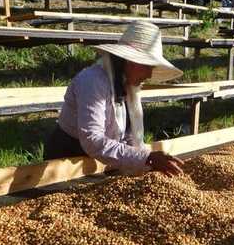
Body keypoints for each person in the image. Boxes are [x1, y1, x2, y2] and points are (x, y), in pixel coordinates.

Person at [44, 21, 184, 177]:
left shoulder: (128, 87)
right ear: (131, 61)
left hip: (99, 160)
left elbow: (129, 137)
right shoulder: (93, 81)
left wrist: (147, 161)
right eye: (148, 67)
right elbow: (92, 140)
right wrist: (146, 158)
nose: (149, 75)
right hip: (65, 160)